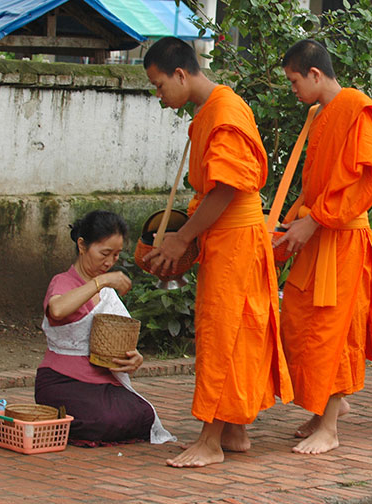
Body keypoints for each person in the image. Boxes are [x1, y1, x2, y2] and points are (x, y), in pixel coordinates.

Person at [143, 37, 293, 467]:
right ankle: (234, 429)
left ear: (180, 74)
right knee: (238, 328)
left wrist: (182, 237)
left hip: (235, 235)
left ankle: (210, 440)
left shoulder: (225, 110)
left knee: (224, 333)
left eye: (158, 85)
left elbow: (227, 186)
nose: (159, 94)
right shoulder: (210, 111)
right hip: (227, 236)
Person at [276, 39, 372, 454]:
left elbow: (368, 181)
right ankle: (321, 411)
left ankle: (331, 428)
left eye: (294, 81)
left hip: (341, 239)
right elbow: (314, 184)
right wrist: (292, 222)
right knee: (303, 324)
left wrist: (316, 219)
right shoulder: (318, 114)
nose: (293, 89)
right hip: (317, 232)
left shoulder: (357, 106)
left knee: (333, 332)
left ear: (315, 74)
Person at [35, 210, 174, 446]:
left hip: (103, 382)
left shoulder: (106, 292)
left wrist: (134, 358)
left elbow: (121, 342)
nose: (109, 263)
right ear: (82, 245)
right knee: (103, 418)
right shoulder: (64, 282)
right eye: (104, 253)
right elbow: (57, 310)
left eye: (116, 255)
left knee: (143, 414)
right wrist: (101, 281)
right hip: (62, 381)